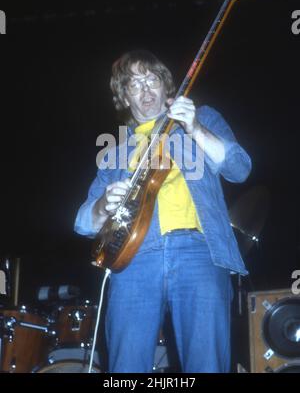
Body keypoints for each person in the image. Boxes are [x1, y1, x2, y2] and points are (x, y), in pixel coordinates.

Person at [74, 49, 252, 373]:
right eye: (134, 84)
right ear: (124, 97)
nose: (144, 89)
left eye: (151, 79)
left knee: (207, 365)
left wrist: (195, 127)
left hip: (199, 251)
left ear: (166, 86)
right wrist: (102, 206)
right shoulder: (115, 149)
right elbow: (82, 221)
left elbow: (240, 168)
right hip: (135, 258)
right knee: (126, 367)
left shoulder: (202, 116)